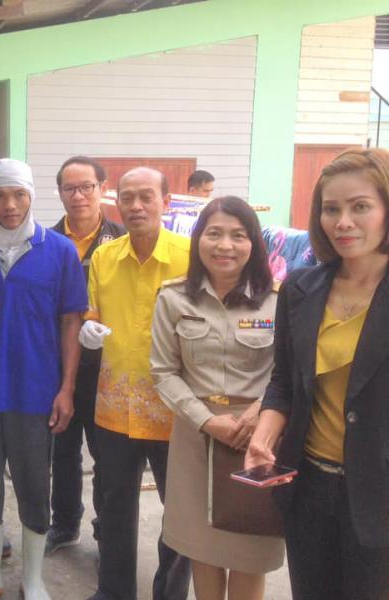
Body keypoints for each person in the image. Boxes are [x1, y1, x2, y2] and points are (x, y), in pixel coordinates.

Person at [246, 148, 389, 600]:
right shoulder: (301, 287)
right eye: (331, 209)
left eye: (360, 206)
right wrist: (264, 435)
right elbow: (284, 382)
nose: (343, 222)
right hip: (308, 487)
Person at [0, 158, 86, 600]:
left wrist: (66, 389)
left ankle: (33, 578)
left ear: (32, 197)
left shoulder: (59, 251)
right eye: (0, 196)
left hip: (35, 390)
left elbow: (71, 322)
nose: (10, 206)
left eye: (19, 195)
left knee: (33, 482)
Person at [150, 196, 284, 600]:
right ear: (198, 240)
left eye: (238, 235)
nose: (225, 245)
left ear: (253, 243)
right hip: (196, 436)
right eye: (214, 234)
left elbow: (287, 372)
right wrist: (207, 420)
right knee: (203, 552)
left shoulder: (278, 300)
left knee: (249, 552)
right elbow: (163, 372)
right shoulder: (174, 298)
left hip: (258, 440)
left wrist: (259, 414)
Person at [83, 167, 192, 600]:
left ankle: (170, 593)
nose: (136, 206)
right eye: (127, 197)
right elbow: (93, 311)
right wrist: (88, 327)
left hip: (176, 409)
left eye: (146, 196)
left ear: (166, 201)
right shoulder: (105, 257)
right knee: (114, 505)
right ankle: (114, 591)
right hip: (115, 406)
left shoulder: (191, 256)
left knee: (178, 513)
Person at [47, 156, 125, 555]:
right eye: (69, 188)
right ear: (59, 193)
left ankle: (105, 530)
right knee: (61, 450)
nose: (78, 196)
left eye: (86, 187)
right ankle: (64, 524)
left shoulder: (122, 239)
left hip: (106, 367)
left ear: (102, 189)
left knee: (106, 456)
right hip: (58, 363)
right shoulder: (44, 242)